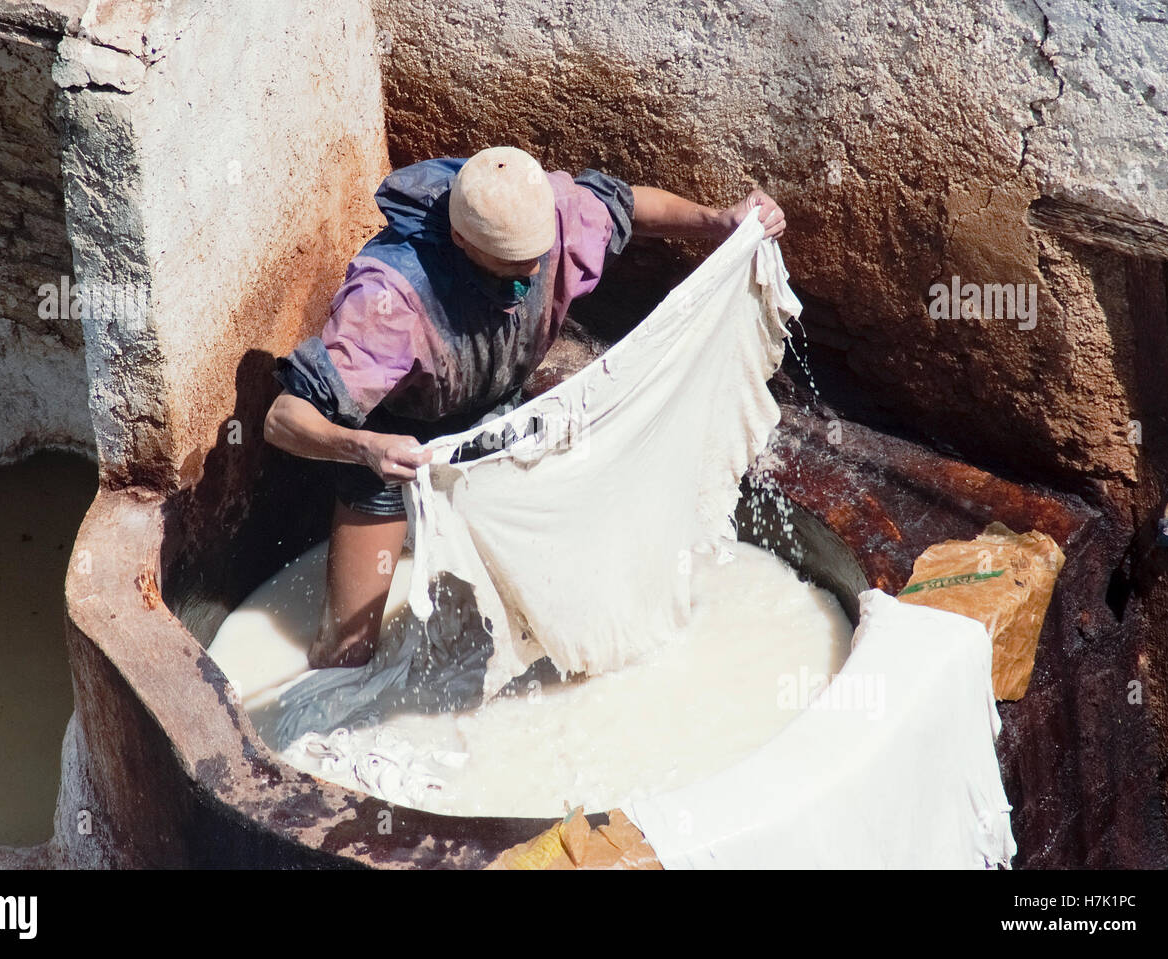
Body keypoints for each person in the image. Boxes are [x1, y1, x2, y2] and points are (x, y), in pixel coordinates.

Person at [264, 146, 787, 670]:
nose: (533, 271)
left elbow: (626, 205)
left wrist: (719, 221)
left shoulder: (555, 211)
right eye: (512, 264)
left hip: (499, 423)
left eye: (539, 256)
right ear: (463, 241)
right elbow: (283, 419)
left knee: (551, 616)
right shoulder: (389, 302)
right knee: (346, 655)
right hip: (394, 449)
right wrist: (366, 448)